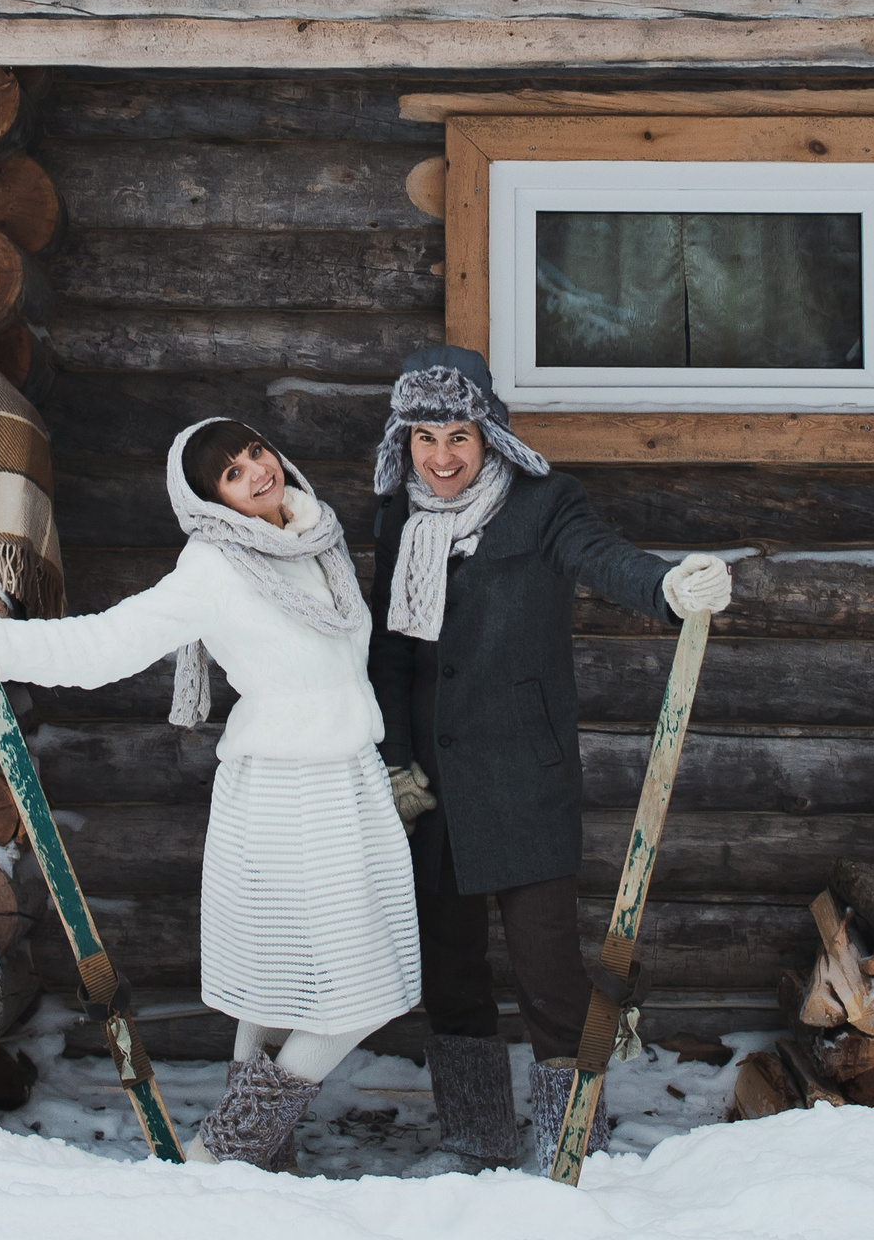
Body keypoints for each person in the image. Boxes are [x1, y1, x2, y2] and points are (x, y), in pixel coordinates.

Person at [0, 418, 418, 1170]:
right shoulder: (215, 567)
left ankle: (263, 1149)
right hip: (287, 792)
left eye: (254, 452)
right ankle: (228, 1147)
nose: (255, 472)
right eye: (230, 473)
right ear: (208, 501)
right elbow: (108, 642)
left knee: (281, 983)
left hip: (347, 778)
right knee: (362, 991)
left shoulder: (315, 536)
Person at [367, 347, 731, 1174]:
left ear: (488, 432)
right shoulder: (397, 518)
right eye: (425, 437)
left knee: (548, 974)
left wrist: (668, 587)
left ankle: (570, 1141)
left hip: (523, 775)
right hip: (431, 783)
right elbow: (387, 656)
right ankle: (476, 1134)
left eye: (459, 433)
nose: (444, 456)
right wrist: (394, 759)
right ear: (406, 441)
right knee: (451, 971)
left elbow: (603, 558)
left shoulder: (543, 503)